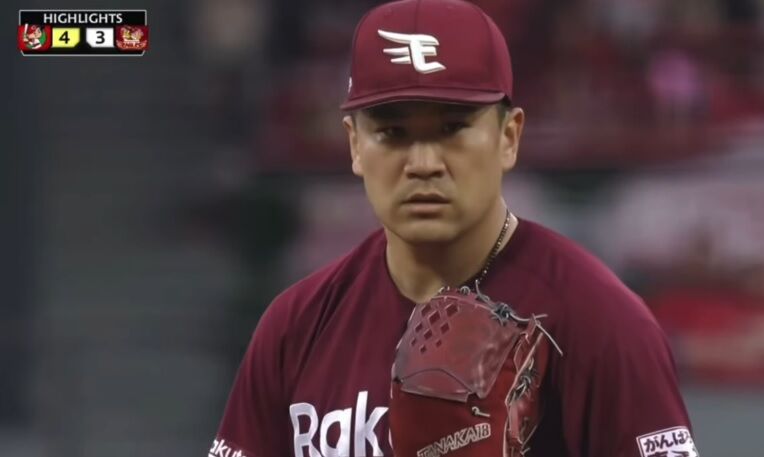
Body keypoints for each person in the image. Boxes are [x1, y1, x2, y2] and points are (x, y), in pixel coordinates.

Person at [210, 0, 699, 456]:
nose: (424, 163)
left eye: (452, 129)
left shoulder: (602, 322)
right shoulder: (296, 327)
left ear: (509, 137)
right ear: (355, 145)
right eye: (393, 133)